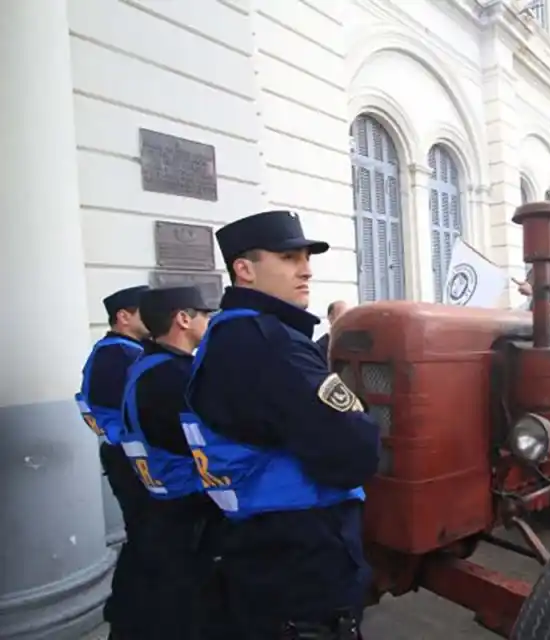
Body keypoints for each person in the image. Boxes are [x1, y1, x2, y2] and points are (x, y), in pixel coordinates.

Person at [182, 210, 381, 639]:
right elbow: (355, 452)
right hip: (303, 559)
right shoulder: (271, 346)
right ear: (245, 269)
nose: (306, 269)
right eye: (290, 258)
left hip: (261, 549)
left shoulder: (226, 334)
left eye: (306, 257)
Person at [117, 285, 226, 639]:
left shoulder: (145, 366)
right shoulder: (176, 377)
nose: (210, 321)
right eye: (205, 315)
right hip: (189, 509)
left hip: (160, 503)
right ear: (183, 319)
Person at [75, 284, 151, 636]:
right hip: (131, 460)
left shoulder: (112, 352)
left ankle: (126, 611)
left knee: (140, 536)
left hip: (122, 456)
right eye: (143, 312)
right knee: (147, 538)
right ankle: (132, 615)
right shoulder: (123, 356)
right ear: (124, 317)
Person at [316, 300, 348, 369]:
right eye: (343, 316)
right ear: (330, 318)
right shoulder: (319, 348)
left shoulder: (353, 345)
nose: (347, 320)